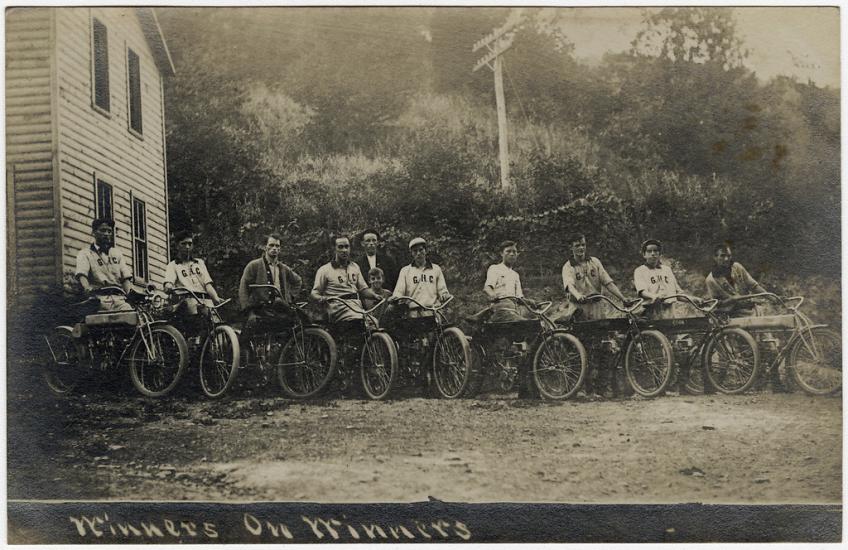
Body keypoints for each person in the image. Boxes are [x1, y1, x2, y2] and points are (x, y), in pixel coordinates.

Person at [311, 235, 381, 323]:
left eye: (346, 247)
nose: (344, 250)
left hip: (356, 307)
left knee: (374, 322)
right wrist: (323, 299)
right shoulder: (325, 270)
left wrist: (375, 296)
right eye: (340, 247)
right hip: (338, 309)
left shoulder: (354, 267)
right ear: (334, 249)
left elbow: (363, 290)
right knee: (360, 322)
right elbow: (314, 293)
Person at [238, 233, 302, 324]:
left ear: (280, 249)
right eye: (271, 245)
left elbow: (298, 281)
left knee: (297, 320)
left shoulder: (283, 268)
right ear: (265, 247)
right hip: (261, 307)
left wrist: (290, 297)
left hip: (279, 307)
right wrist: (248, 310)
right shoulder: (254, 265)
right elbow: (243, 287)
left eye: (277, 246)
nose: (274, 248)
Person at [561, 234, 628, 321]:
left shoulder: (595, 262)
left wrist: (623, 298)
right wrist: (578, 296)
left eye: (583, 245)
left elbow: (608, 283)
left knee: (602, 331)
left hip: (597, 306)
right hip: (579, 307)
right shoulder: (568, 267)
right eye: (577, 246)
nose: (581, 248)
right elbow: (570, 286)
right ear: (571, 248)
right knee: (581, 332)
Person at [74, 217, 133, 312]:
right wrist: (87, 288)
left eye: (109, 231)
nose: (106, 234)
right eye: (103, 230)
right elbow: (82, 275)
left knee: (131, 316)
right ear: (93, 232)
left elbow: (125, 277)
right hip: (98, 299)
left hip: (119, 299)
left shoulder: (117, 253)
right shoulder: (85, 254)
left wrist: (129, 294)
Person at [633, 239, 699, 320]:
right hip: (652, 312)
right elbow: (642, 292)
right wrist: (654, 296)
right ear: (644, 254)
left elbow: (678, 294)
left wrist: (694, 299)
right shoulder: (640, 271)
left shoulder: (667, 270)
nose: (653, 254)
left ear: (660, 254)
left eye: (656, 251)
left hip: (669, 312)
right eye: (649, 251)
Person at [164, 230, 223, 316]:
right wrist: (168, 286)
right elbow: (168, 282)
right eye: (183, 244)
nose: (187, 247)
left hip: (204, 300)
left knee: (215, 320)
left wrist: (215, 298)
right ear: (177, 246)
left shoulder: (199, 263)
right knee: (195, 315)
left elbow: (207, 284)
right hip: (187, 301)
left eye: (190, 244)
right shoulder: (173, 265)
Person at [391, 237, 452, 319]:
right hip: (413, 313)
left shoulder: (436, 269)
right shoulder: (405, 271)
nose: (418, 253)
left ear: (426, 251)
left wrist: (444, 295)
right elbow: (399, 291)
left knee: (440, 330)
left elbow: (442, 290)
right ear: (411, 253)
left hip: (432, 312)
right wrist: (396, 297)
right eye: (415, 251)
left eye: (421, 250)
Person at [705, 243, 766, 315]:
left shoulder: (737, 267)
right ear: (715, 257)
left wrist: (771, 297)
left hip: (752, 309)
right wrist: (732, 300)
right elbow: (716, 303)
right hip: (732, 314)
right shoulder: (711, 280)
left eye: (729, 256)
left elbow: (753, 286)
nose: (726, 259)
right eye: (722, 256)